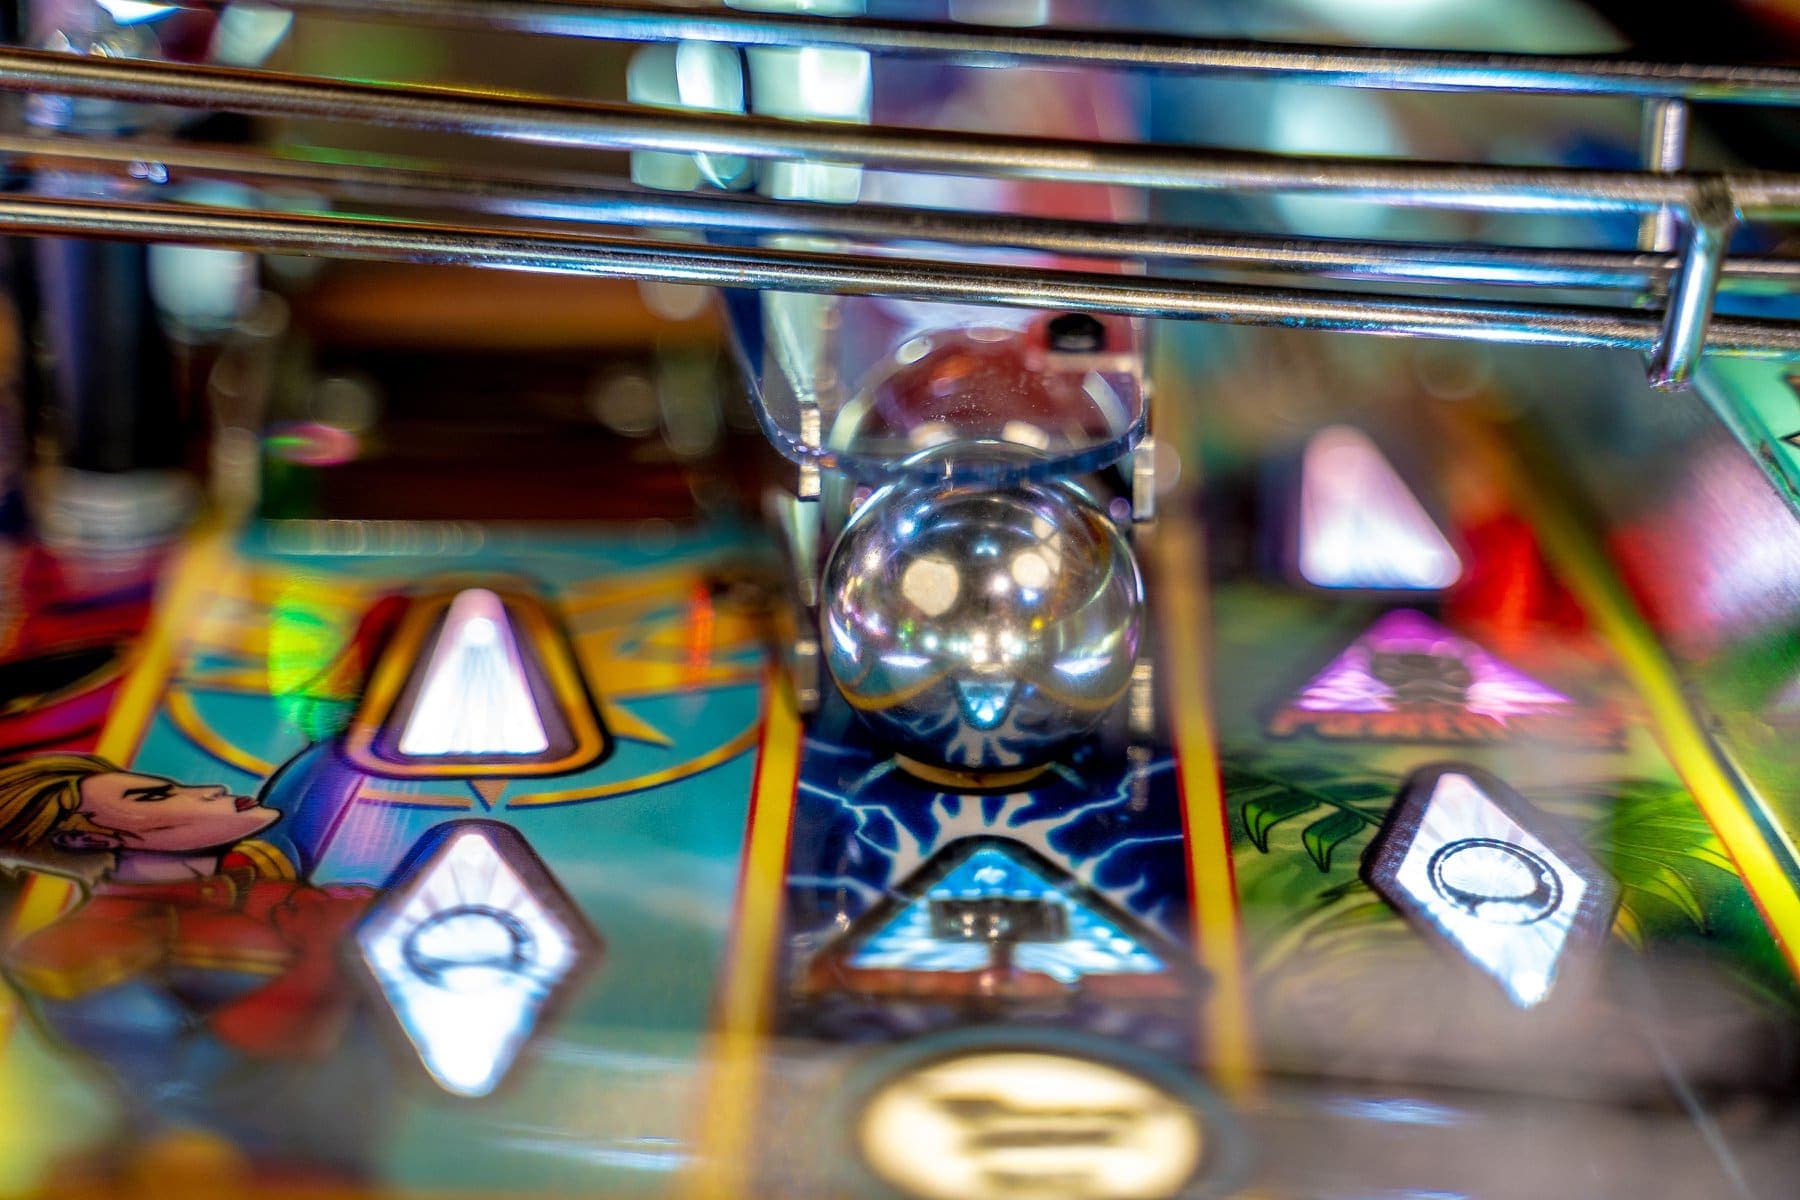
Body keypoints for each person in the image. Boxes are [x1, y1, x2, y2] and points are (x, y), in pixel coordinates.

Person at [0, 753, 386, 1171]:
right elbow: (203, 1087)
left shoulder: (263, 862)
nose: (210, 789)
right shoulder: (85, 953)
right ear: (85, 840)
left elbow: (337, 762)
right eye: (154, 795)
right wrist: (322, 958)